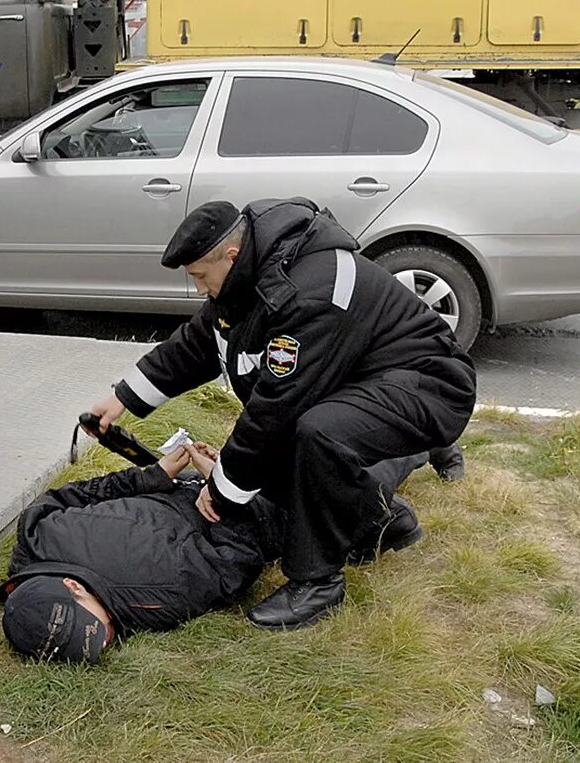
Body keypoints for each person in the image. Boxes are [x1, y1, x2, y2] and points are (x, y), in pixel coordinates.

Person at [87, 199, 476, 630]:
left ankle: (318, 582)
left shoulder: (308, 291)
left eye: (199, 276)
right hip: (365, 376)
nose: (198, 289)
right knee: (287, 448)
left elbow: (274, 411)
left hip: (430, 384)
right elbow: (198, 343)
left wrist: (221, 490)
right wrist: (122, 397)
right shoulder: (251, 275)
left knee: (315, 433)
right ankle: (381, 521)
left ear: (230, 256)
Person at [0, 441, 428, 663]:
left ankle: (420, 442)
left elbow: (75, 494)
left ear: (71, 586)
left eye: (96, 630)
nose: (107, 637)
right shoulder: (154, 603)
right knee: (333, 480)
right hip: (240, 511)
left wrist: (152, 476)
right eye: (96, 645)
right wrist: (225, 490)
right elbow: (237, 558)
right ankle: (420, 450)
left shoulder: (36, 536)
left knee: (306, 440)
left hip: (195, 490)